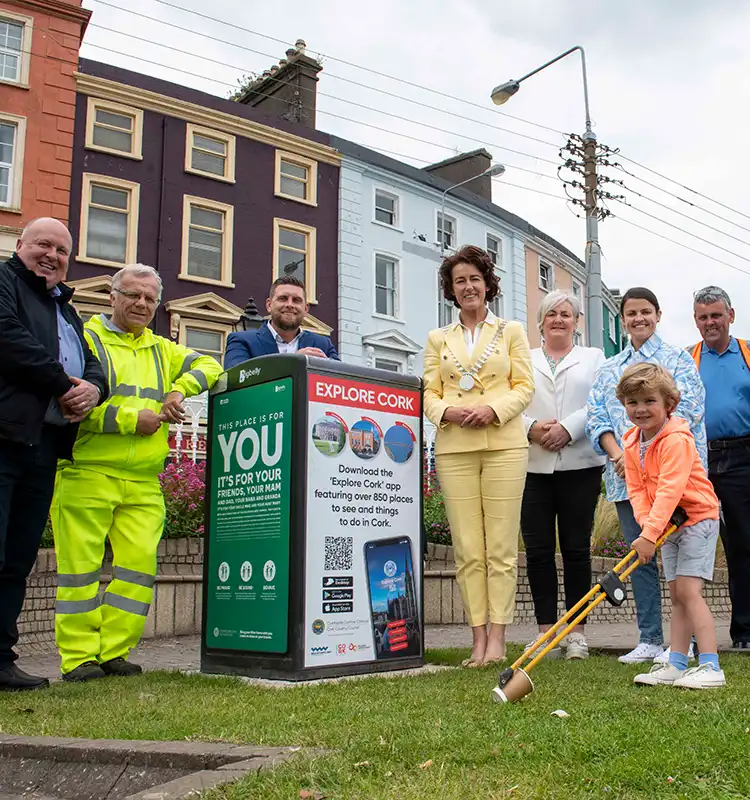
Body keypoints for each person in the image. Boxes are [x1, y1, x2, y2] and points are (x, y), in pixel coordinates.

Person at [50, 264, 223, 682]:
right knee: (79, 571)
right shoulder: (85, 340)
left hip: (144, 479)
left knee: (137, 570)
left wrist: (180, 388)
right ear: (112, 296)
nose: (141, 303)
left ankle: (113, 651)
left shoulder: (163, 349)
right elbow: (68, 406)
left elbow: (209, 365)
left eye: (149, 298)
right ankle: (78, 658)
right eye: (132, 295)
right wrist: (134, 419)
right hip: (87, 470)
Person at [0, 218, 108, 692]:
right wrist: (63, 385)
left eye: (62, 250)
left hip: (43, 445)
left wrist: (94, 390)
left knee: (17, 558)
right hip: (3, 435)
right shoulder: (4, 283)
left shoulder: (66, 308)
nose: (53, 255)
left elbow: (92, 363)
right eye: (43, 244)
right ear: (20, 244)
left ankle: (1, 659)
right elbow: (7, 338)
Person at [423, 245, 534, 667]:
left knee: (501, 549)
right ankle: (477, 637)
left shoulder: (512, 331)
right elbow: (428, 392)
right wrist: (447, 412)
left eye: (474, 278)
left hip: (505, 444)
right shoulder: (438, 338)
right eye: (459, 281)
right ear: (451, 291)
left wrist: (492, 410)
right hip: (455, 448)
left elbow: (524, 387)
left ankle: (499, 640)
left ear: (487, 284)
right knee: (468, 549)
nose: (468, 286)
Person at [586, 287, 706, 664]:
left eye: (645, 312)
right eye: (630, 313)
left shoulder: (678, 360)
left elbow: (690, 409)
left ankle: (683, 642)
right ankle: (650, 638)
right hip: (627, 479)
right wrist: (622, 455)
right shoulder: (609, 368)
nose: (638, 318)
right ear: (622, 320)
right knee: (641, 555)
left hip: (673, 481)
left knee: (680, 564)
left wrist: (643, 454)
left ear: (657, 314)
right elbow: (597, 418)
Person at [616, 363, 725, 689]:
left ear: (669, 405)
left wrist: (650, 535)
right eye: (633, 402)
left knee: (689, 593)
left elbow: (670, 489)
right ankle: (676, 663)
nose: (640, 409)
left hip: (698, 520)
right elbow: (635, 489)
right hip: (670, 526)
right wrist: (647, 526)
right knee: (677, 594)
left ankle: (710, 665)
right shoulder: (631, 441)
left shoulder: (676, 440)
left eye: (649, 401)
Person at [521, 291, 605, 661]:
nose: (558, 319)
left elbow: (600, 402)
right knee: (538, 552)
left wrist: (569, 429)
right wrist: (532, 428)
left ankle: (576, 634)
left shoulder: (594, 358)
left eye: (566, 314)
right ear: (540, 321)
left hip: (580, 464)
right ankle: (544, 632)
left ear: (577, 321)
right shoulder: (523, 358)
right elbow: (511, 400)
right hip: (532, 466)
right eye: (551, 313)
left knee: (575, 550)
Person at [690, 286, 750, 650]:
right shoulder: (687, 359)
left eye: (716, 315)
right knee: (694, 545)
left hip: (743, 456)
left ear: (730, 315)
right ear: (695, 321)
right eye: (703, 317)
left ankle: (744, 630)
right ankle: (693, 635)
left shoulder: (746, 353)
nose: (710, 322)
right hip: (698, 459)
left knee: (743, 543)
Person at [224, 276, 339, 367]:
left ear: (306, 309)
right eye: (283, 298)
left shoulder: (323, 345)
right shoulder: (242, 341)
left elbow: (343, 381)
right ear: (269, 305)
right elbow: (237, 381)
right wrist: (294, 362)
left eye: (296, 300)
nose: (289, 304)